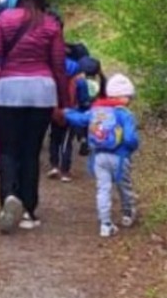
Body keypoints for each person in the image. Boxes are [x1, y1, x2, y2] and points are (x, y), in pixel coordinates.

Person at [0, 0, 70, 234]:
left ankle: (8, 198)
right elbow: (59, 67)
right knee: (31, 152)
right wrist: (63, 103)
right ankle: (28, 209)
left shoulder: (4, 21)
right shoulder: (51, 25)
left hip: (9, 90)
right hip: (42, 92)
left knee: (8, 150)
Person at [58, 73, 141, 237]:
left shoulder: (96, 110)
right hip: (120, 157)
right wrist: (131, 147)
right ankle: (127, 214)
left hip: (98, 157)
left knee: (103, 189)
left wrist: (66, 112)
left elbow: (81, 119)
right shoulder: (124, 114)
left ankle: (105, 224)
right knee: (124, 186)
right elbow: (130, 138)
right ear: (124, 97)